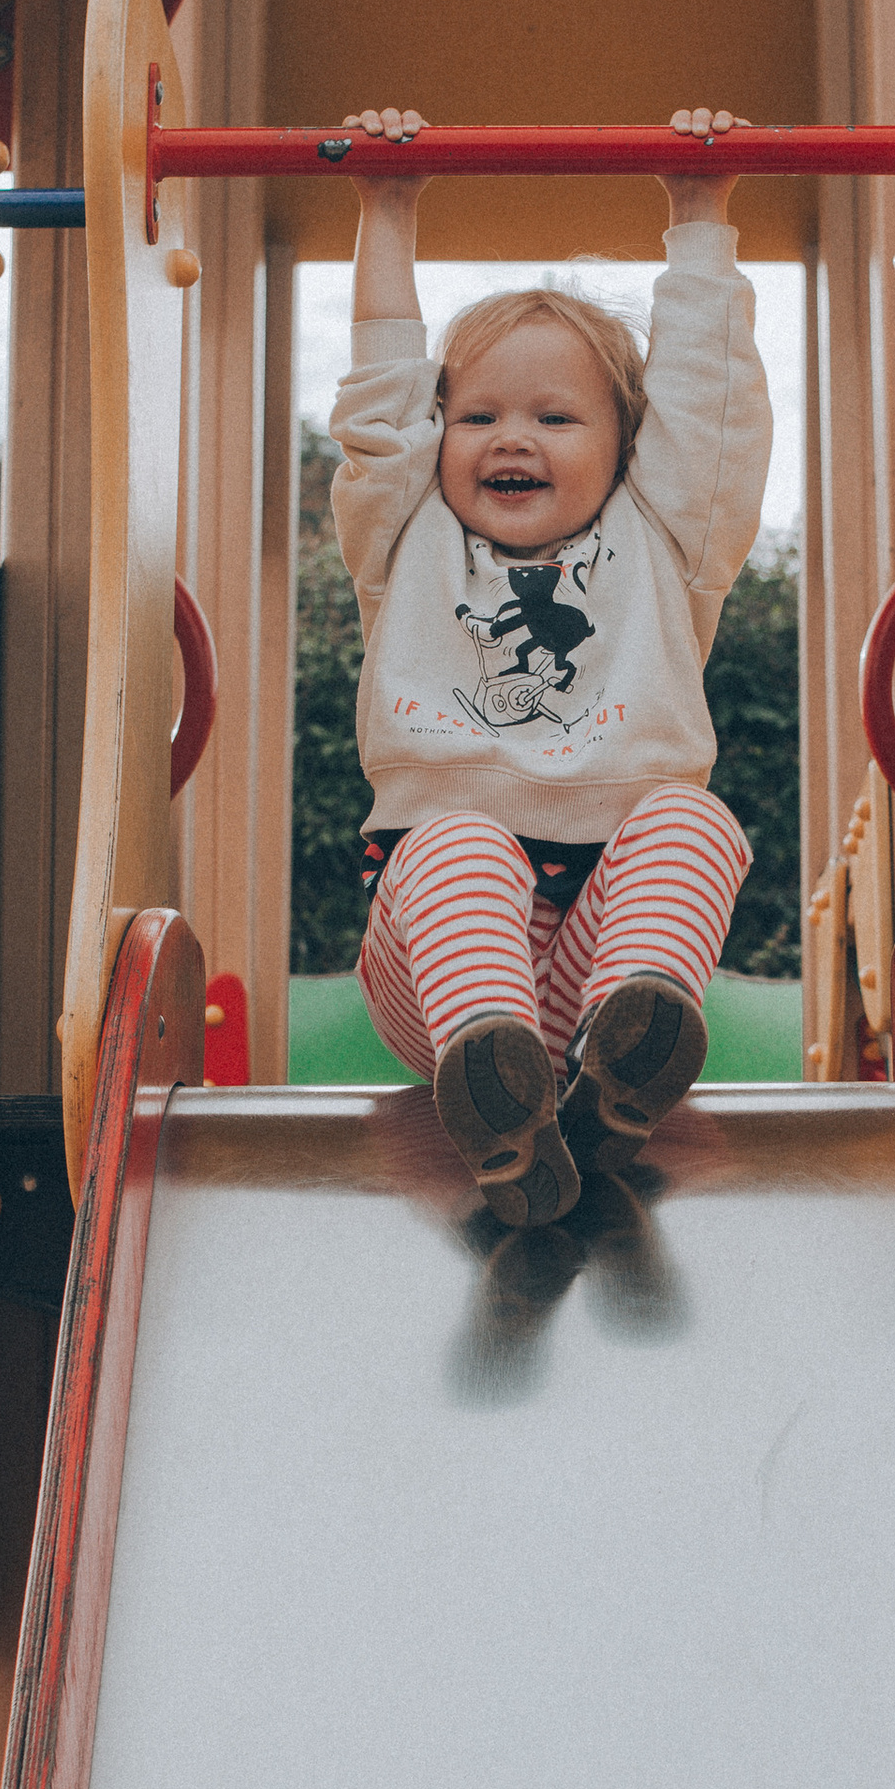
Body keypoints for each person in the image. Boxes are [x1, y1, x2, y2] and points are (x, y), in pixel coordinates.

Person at [329, 104, 771, 1228]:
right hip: (439, 964)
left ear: (628, 451)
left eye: (557, 417)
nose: (511, 436)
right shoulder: (405, 537)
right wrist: (386, 205)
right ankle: (495, 1082)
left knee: (694, 819)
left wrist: (701, 210)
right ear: (437, 437)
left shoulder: (666, 545)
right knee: (462, 840)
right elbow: (380, 400)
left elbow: (711, 414)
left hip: (599, 952)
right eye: (476, 415)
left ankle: (617, 1075)